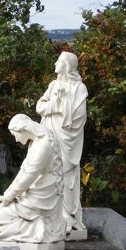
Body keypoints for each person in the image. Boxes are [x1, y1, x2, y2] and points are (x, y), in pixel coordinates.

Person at [0, 114, 67, 250]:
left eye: (15, 134)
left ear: (23, 129)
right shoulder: (36, 142)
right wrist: (8, 195)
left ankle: (37, 228)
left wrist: (10, 195)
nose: (16, 139)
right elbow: (24, 171)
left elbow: (30, 174)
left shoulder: (45, 143)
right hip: (34, 193)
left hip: (42, 197)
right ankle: (35, 225)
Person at [36, 52, 88, 236]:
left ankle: (68, 216)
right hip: (50, 135)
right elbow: (39, 107)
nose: (55, 63)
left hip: (68, 140)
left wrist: (60, 110)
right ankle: (50, 215)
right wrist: (56, 106)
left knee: (67, 177)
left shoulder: (80, 89)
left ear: (67, 66)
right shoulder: (53, 85)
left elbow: (79, 117)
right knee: (49, 173)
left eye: (59, 61)